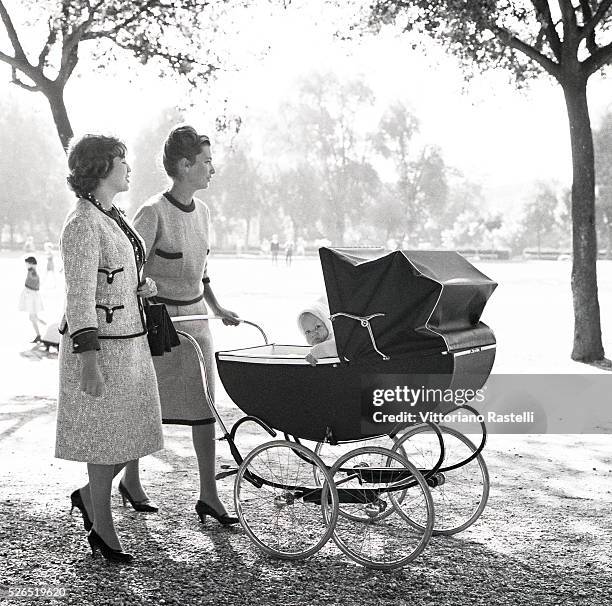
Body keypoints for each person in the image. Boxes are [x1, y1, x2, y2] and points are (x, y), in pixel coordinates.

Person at [124, 125, 240, 526]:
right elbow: (130, 269)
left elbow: (201, 271)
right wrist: (143, 292)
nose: (212, 169)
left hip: (198, 323)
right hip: (158, 325)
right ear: (183, 165)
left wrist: (219, 307)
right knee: (146, 405)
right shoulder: (153, 211)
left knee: (204, 405)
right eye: (206, 161)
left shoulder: (204, 212)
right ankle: (131, 481)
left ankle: (209, 494)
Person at [55, 134, 164, 563]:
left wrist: (143, 285)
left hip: (130, 345)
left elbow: (116, 273)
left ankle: (88, 497)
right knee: (106, 442)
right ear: (100, 168)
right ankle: (103, 527)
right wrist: (88, 362)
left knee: (135, 433)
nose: (128, 167)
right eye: (121, 160)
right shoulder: (82, 223)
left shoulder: (111, 214)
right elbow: (79, 295)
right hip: (103, 351)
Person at [298, 298, 337, 366]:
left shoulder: (335, 339)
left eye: (317, 327)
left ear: (327, 324)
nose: (313, 334)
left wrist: (314, 353)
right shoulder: (316, 348)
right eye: (308, 331)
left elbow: (335, 347)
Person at [18, 256, 45, 342]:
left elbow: (33, 282)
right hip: (32, 295)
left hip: (31, 296)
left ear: (31, 264)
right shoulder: (33, 271)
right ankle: (43, 328)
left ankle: (39, 335)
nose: (26, 265)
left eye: (27, 263)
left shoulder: (32, 271)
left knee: (32, 317)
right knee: (33, 317)